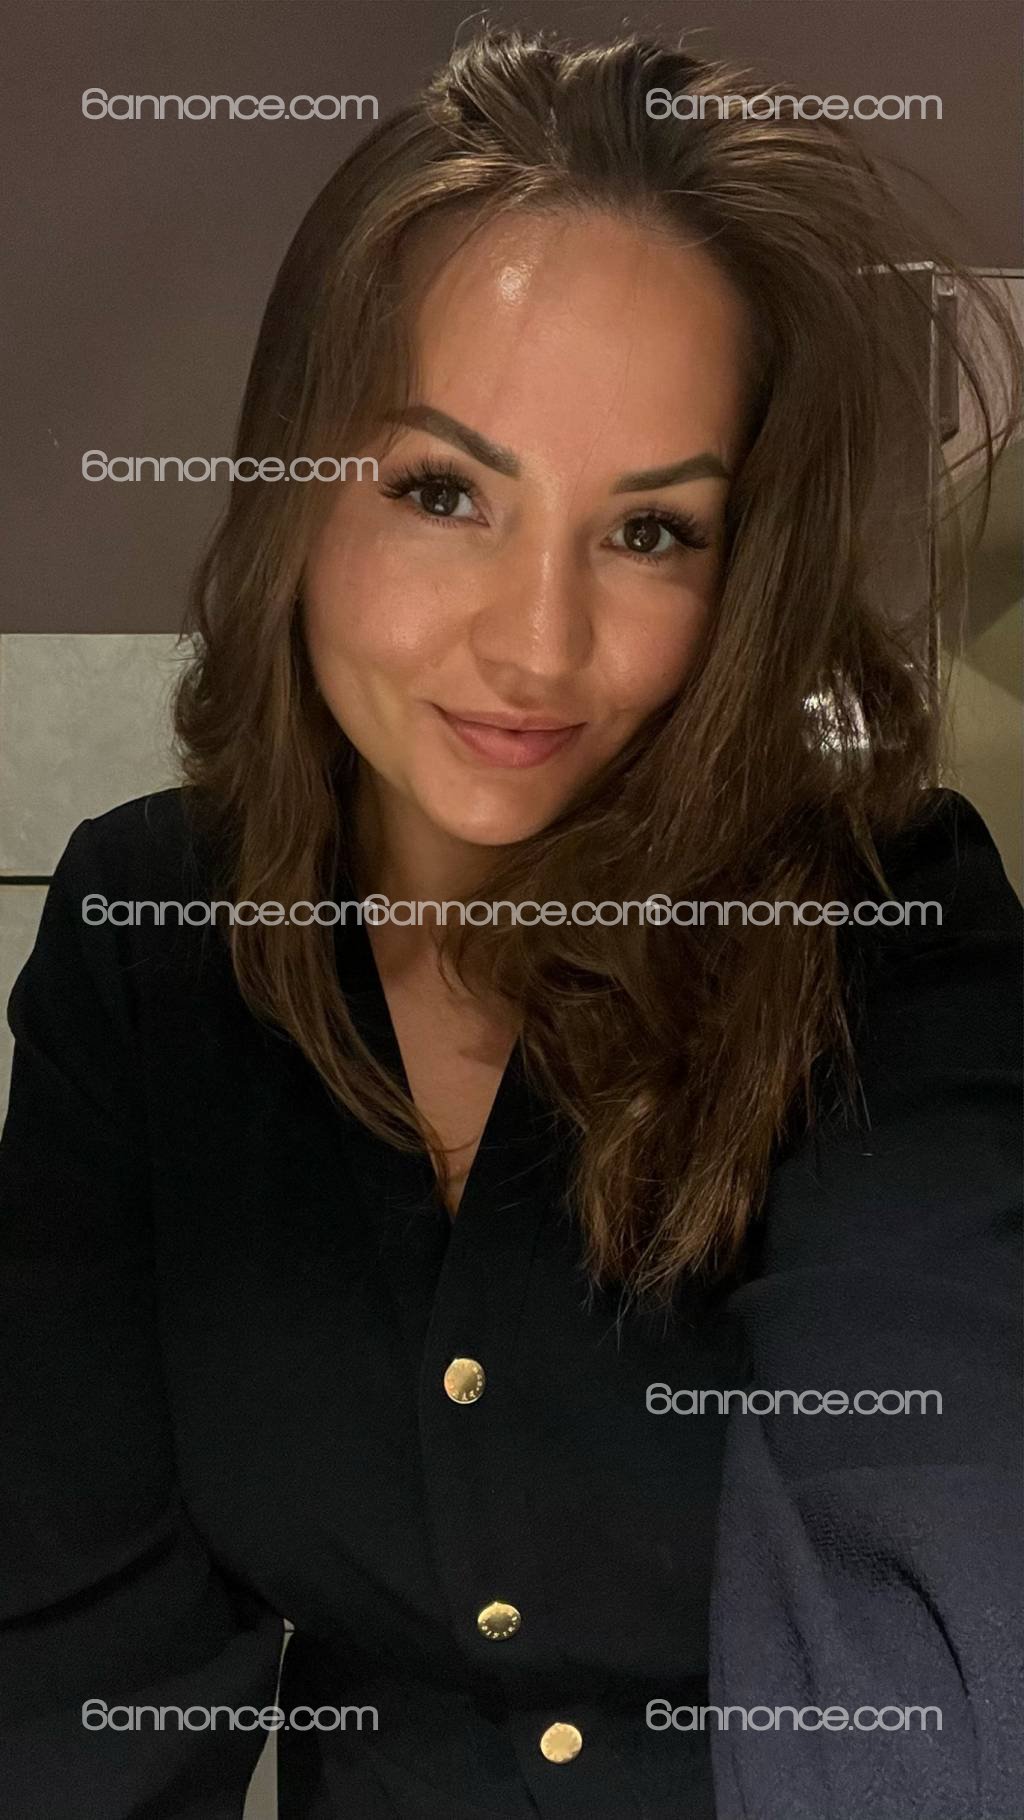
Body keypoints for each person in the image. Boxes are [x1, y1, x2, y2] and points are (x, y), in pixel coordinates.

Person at [2, 25, 1021, 1820]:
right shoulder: (152, 940)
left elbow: (931, 1606)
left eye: (652, 532)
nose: (538, 648)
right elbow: (83, 1668)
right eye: (442, 492)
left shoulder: (884, 929)